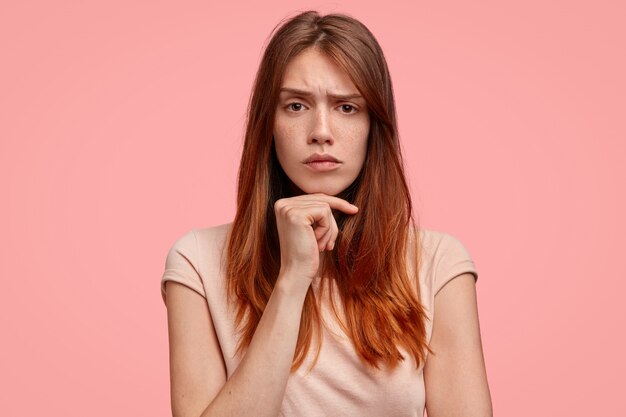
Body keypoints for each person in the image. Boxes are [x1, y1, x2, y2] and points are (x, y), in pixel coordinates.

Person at [160, 10, 492, 417]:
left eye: (346, 107)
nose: (321, 130)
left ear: (375, 125)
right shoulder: (197, 262)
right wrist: (293, 278)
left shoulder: (438, 265)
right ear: (269, 122)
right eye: (297, 105)